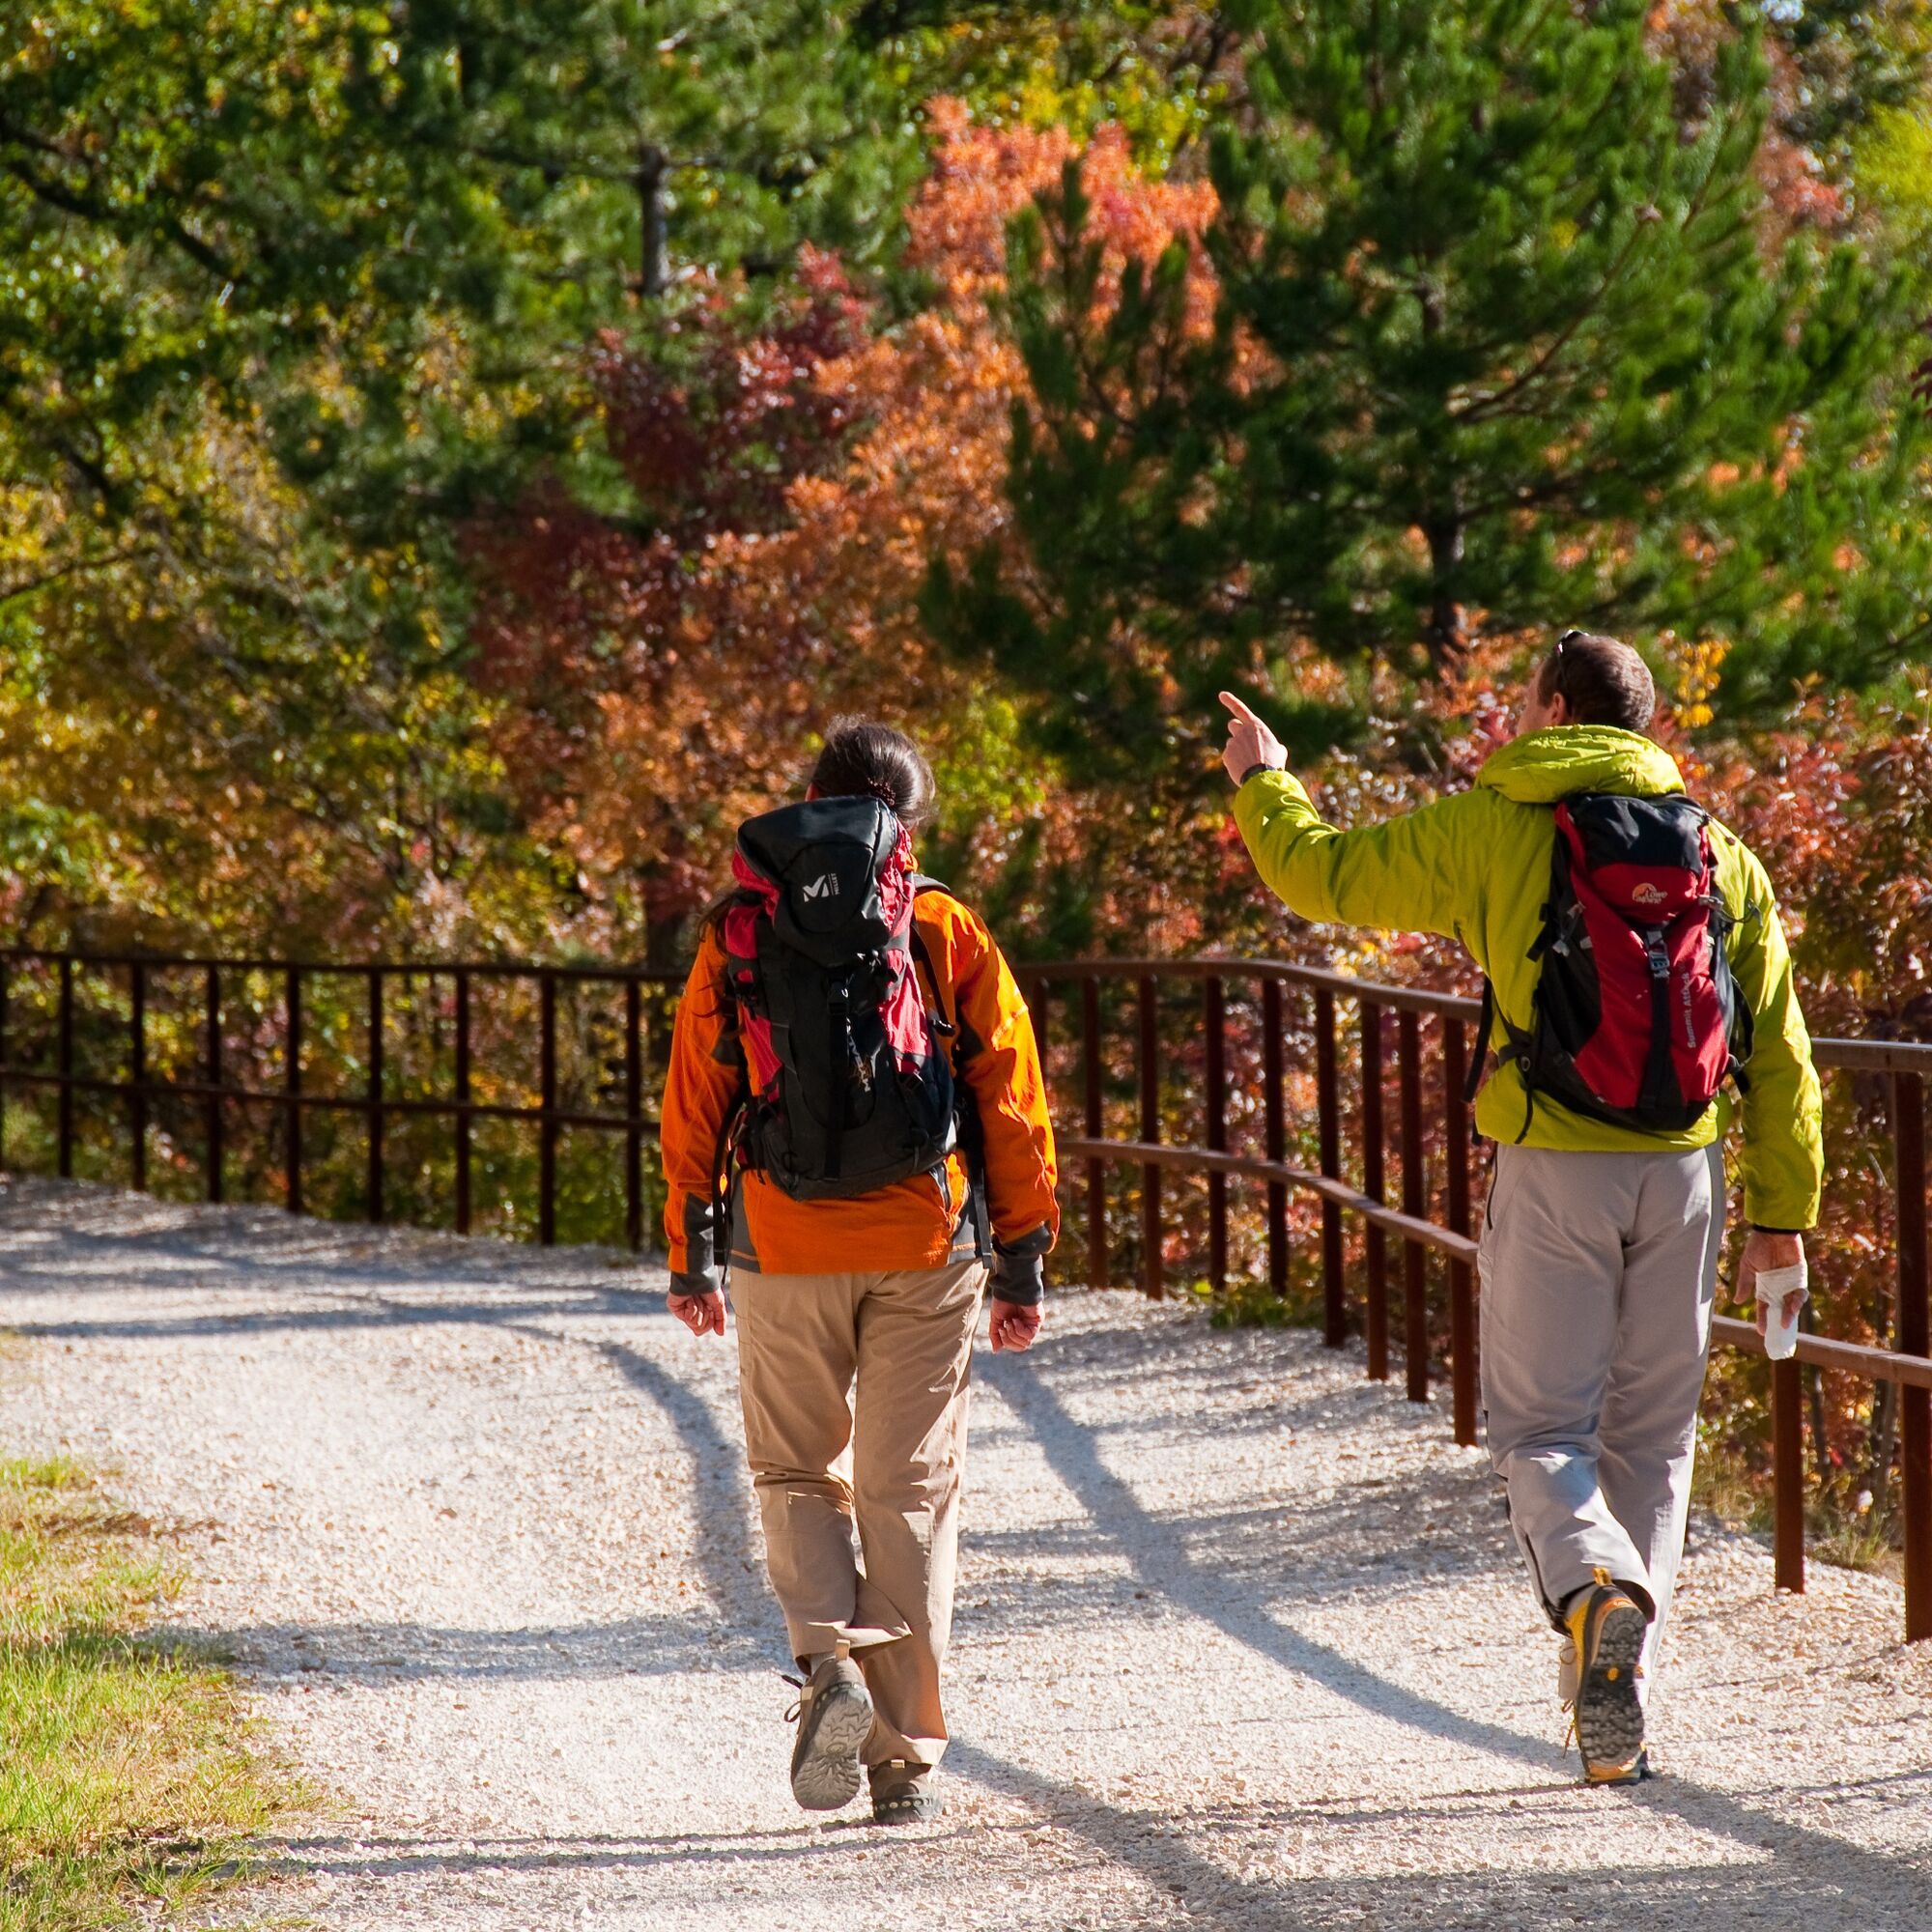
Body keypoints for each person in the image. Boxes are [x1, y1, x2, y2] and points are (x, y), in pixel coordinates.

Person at [1220, 633, 1822, 1785]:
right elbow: (1782, 1051)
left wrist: (1264, 780)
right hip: (1685, 1173)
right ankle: (1620, 1698)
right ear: (1642, 724)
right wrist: (1779, 1212)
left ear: (1550, 707)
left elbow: (1323, 877)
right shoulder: (1718, 850)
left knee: (1542, 1431)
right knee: (1654, 1439)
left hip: (1551, 1162)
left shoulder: (1493, 825)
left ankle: (1596, 1590)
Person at [660, 720, 1058, 1824]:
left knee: (796, 1469)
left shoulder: (741, 926)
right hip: (923, 1242)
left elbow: (695, 1093)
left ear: (810, 798)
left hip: (782, 1240)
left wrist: (690, 1248)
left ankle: (826, 1661)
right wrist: (1022, 1257)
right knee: (907, 1488)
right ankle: (899, 1755)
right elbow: (1010, 1094)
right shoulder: (939, 923)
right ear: (908, 822)